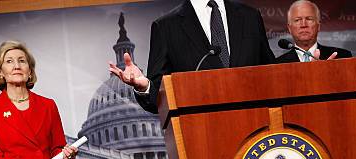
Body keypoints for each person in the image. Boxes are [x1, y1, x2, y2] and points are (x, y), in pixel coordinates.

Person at [109, 0, 275, 114]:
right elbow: (160, 97)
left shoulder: (250, 16)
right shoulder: (166, 27)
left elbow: (273, 77)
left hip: (259, 133)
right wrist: (145, 87)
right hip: (203, 138)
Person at [276, 0, 351, 63]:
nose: (303, 25)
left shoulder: (342, 57)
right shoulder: (277, 64)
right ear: (289, 28)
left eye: (309, 19)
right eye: (297, 20)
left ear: (318, 26)